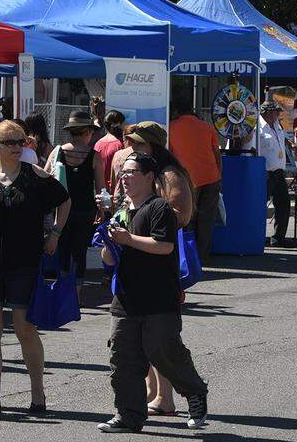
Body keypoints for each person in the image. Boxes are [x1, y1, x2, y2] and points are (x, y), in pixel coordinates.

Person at [0, 120, 71, 417]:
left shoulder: (34, 174)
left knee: (24, 328)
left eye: (22, 142)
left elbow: (65, 200)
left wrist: (55, 234)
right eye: (11, 142)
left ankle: (37, 393)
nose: (18, 147)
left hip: (24, 263)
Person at [97, 152, 209, 433]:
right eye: (122, 173)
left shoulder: (159, 208)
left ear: (149, 177)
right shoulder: (122, 211)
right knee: (123, 358)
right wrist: (110, 242)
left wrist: (128, 239)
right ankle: (128, 416)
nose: (125, 178)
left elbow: (164, 246)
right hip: (126, 298)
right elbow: (108, 258)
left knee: (164, 351)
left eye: (131, 172)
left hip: (159, 297)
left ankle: (194, 391)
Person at [113, 121, 195, 417]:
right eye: (131, 143)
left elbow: (181, 215)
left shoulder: (169, 174)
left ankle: (166, 397)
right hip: (137, 255)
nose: (131, 148)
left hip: (159, 259)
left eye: (138, 144)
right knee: (141, 332)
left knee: (158, 335)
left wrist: (146, 215)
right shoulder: (143, 173)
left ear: (154, 146)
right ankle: (153, 393)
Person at [46, 111, 104, 302]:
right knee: (79, 252)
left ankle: (62, 291)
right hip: (85, 209)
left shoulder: (58, 151)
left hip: (61, 208)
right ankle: (75, 296)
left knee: (62, 249)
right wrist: (101, 210)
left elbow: (45, 177)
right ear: (86, 132)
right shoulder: (95, 156)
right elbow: (100, 188)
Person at [169, 98, 222, 262]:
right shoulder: (207, 127)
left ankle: (188, 257)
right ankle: (202, 256)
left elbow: (170, 156)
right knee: (207, 220)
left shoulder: (171, 127)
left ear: (176, 111)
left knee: (188, 219)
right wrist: (219, 175)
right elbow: (217, 154)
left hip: (187, 180)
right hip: (211, 177)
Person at [251, 102, 291, 247]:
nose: (278, 114)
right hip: (265, 173)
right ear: (267, 112)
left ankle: (279, 238)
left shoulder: (277, 126)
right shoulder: (257, 128)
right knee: (259, 206)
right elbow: (252, 150)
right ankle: (256, 236)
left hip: (278, 172)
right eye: (275, 112)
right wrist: (260, 170)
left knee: (284, 204)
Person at [95, 110, 126, 191]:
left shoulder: (97, 144)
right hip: (116, 190)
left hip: (101, 190)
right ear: (119, 124)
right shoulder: (121, 145)